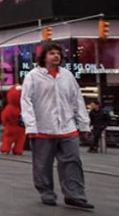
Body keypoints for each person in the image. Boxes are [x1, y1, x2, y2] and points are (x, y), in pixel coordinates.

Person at [21, 42, 93, 209]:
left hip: (68, 128)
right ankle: (46, 192)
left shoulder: (67, 76)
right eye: (52, 53)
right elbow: (26, 101)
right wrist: (31, 126)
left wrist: (84, 124)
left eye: (58, 54)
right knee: (42, 164)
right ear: (44, 57)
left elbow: (77, 100)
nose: (56, 56)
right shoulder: (33, 76)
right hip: (43, 128)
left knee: (72, 161)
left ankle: (75, 195)